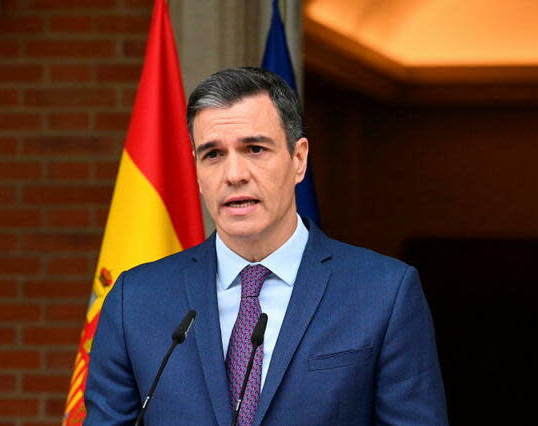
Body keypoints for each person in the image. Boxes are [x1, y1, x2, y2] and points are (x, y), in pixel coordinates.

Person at [84, 67, 447, 425]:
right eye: (213, 154)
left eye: (255, 148)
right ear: (195, 170)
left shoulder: (383, 292)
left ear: (298, 159)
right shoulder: (135, 300)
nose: (234, 174)